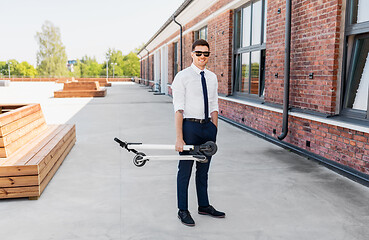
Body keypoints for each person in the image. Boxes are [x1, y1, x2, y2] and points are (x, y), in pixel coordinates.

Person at [171, 39, 225, 227]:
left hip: (207, 128)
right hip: (190, 128)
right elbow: (179, 109)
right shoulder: (182, 77)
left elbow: (214, 104)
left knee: (204, 171)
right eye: (199, 53)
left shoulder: (211, 77)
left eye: (206, 54)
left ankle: (203, 205)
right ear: (192, 54)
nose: (203, 57)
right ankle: (183, 210)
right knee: (185, 171)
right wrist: (179, 137)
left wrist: (214, 129)